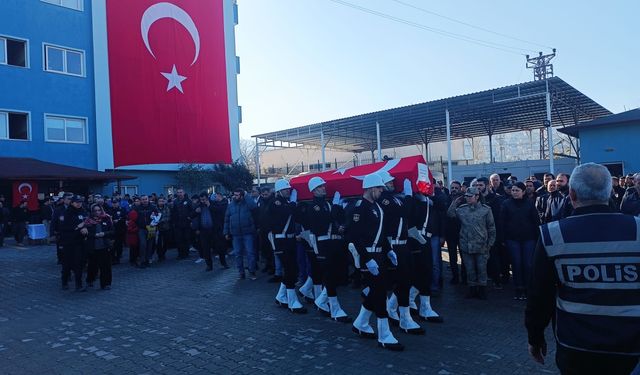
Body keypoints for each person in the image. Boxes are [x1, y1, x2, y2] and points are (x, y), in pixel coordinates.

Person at [525, 163, 640, 375]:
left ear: (572, 194)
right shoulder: (637, 228)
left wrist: (535, 336)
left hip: (576, 347)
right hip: (631, 346)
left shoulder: (552, 235)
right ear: (610, 192)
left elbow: (539, 295)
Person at [349, 173, 404, 351]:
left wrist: (388, 251)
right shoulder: (360, 207)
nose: (382, 191)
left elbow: (382, 232)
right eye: (379, 188)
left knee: (377, 290)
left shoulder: (377, 207)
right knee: (379, 293)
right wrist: (367, 259)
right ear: (371, 188)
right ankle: (384, 334)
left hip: (379, 255)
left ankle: (361, 322)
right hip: (369, 257)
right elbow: (355, 237)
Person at [296, 176, 350, 321]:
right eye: (320, 187)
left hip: (332, 243)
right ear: (313, 190)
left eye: (324, 186)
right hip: (321, 244)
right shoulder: (313, 206)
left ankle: (321, 301)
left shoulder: (328, 204)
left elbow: (339, 218)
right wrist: (336, 207)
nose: (324, 188)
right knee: (329, 275)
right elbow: (321, 222)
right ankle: (334, 308)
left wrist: (341, 221)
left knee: (336, 275)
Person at [378, 172, 425, 335]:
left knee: (408, 278)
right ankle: (403, 318)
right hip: (392, 245)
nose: (392, 183)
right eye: (389, 182)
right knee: (399, 281)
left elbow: (410, 214)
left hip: (403, 244)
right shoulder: (384, 199)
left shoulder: (396, 197)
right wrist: (409, 196)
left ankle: (393, 308)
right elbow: (401, 212)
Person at [265, 179, 307, 313]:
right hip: (281, 241)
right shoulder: (275, 202)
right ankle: (292, 301)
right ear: (279, 191)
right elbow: (285, 212)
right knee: (290, 270)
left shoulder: (287, 202)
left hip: (289, 240)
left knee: (291, 269)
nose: (288, 191)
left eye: (288, 189)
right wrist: (294, 202)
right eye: (285, 189)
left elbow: (298, 216)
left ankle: (281, 296)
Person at [447, 187, 496, 299]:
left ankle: (482, 289)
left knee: (481, 268)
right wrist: (454, 203)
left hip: (481, 244)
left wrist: (490, 244)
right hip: (466, 244)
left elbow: (491, 227)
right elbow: (450, 214)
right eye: (466, 196)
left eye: (470, 196)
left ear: (477, 196)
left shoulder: (486, 209)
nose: (467, 198)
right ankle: (472, 289)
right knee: (470, 269)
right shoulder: (462, 209)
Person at [499, 182, 540, 300]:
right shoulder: (506, 204)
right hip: (512, 239)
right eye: (513, 190)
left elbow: (536, 221)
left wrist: (538, 237)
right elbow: (502, 222)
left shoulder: (530, 203)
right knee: (516, 264)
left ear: (523, 191)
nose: (514, 192)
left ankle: (528, 288)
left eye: (517, 190)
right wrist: (502, 238)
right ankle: (518, 288)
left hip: (529, 238)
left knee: (528, 264)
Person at [224, 188, 258, 280]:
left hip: (248, 232)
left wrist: (247, 195)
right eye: (234, 195)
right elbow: (226, 220)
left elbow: (254, 207)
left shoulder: (247, 203)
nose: (235, 196)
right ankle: (241, 272)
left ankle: (252, 271)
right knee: (238, 253)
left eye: (237, 195)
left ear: (242, 195)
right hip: (236, 234)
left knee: (250, 253)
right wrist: (226, 232)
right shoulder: (230, 205)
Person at [60, 196, 88, 291]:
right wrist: (77, 228)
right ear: (72, 203)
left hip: (80, 242)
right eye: (76, 202)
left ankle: (78, 285)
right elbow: (64, 228)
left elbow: (86, 222)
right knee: (67, 263)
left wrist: (85, 228)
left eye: (80, 202)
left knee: (79, 263)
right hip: (69, 242)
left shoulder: (83, 211)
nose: (79, 203)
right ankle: (64, 282)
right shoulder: (67, 213)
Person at [85, 204, 115, 290]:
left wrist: (104, 234)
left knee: (106, 266)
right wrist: (94, 235)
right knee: (92, 266)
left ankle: (106, 284)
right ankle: (90, 280)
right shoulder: (88, 221)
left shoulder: (106, 218)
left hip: (104, 246)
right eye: (95, 210)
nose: (97, 212)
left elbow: (112, 231)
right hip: (93, 247)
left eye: (99, 210)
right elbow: (85, 234)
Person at [445, 181, 464, 284]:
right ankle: (455, 276)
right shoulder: (446, 199)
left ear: (460, 188)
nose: (454, 190)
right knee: (452, 257)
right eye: (452, 187)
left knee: (464, 256)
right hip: (450, 233)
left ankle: (464, 276)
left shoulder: (465, 199)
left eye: (456, 188)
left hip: (462, 232)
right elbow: (446, 215)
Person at [133, 195, 156, 268]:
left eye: (146, 199)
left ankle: (147, 260)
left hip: (151, 228)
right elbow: (133, 217)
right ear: (140, 200)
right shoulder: (137, 208)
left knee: (150, 245)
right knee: (143, 244)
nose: (144, 200)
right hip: (141, 228)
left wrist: (155, 218)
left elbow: (159, 215)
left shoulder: (153, 207)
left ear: (148, 199)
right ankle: (142, 261)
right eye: (143, 199)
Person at [171, 188, 192, 260]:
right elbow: (173, 212)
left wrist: (190, 218)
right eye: (178, 192)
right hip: (178, 224)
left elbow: (191, 211)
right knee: (179, 239)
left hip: (186, 224)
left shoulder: (188, 201)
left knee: (186, 238)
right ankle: (180, 254)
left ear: (184, 193)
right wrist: (173, 222)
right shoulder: (175, 201)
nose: (179, 194)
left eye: (181, 192)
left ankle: (186, 253)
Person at [155, 197, 171, 262]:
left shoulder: (167, 208)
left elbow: (168, 217)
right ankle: (160, 255)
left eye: (162, 201)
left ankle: (163, 253)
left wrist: (160, 220)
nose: (161, 202)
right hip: (158, 228)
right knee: (158, 243)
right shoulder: (155, 208)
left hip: (166, 227)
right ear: (158, 202)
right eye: (160, 201)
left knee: (166, 241)